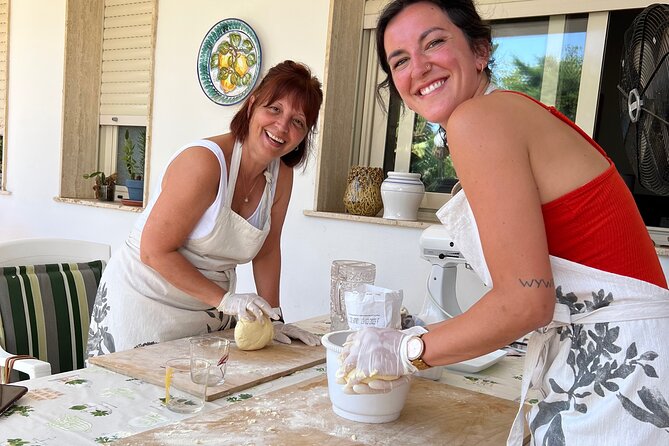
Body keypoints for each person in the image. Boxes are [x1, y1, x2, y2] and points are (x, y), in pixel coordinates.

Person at [338, 1, 669, 444]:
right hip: (622, 349)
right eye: (400, 60)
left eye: (433, 42)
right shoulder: (507, 113)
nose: (418, 68)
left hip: (629, 363)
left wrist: (407, 349)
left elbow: (525, 303)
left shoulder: (480, 120)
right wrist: (419, 334)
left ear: (479, 51)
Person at [87, 60, 323, 356]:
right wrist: (226, 301)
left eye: (297, 121)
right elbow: (154, 250)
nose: (282, 126)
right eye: (274, 109)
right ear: (252, 106)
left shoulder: (281, 175)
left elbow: (267, 248)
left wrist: (274, 317)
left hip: (207, 310)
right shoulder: (204, 162)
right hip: (143, 301)